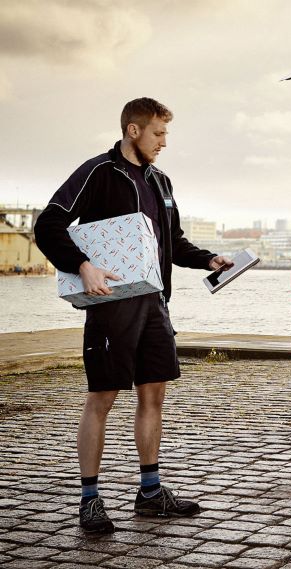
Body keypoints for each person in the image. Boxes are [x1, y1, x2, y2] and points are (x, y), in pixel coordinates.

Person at [34, 97, 232, 534]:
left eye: (166, 133)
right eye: (158, 133)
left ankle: (150, 492)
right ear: (133, 130)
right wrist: (81, 265)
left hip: (155, 303)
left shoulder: (161, 181)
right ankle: (90, 500)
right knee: (102, 397)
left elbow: (172, 241)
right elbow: (47, 224)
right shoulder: (98, 172)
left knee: (153, 395)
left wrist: (208, 259)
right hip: (110, 304)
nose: (164, 142)